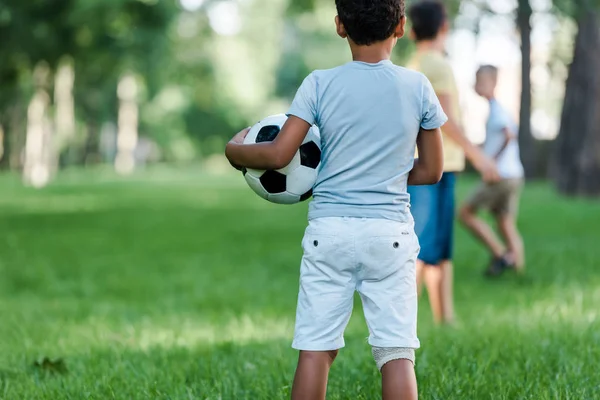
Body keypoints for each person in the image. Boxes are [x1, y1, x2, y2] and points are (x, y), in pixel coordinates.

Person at [225, 1, 447, 398]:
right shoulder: (418, 87)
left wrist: (234, 151)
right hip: (389, 234)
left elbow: (278, 155)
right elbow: (432, 171)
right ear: (400, 27)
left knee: (316, 348)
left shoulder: (318, 83)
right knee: (396, 352)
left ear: (339, 26)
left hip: (329, 233)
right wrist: (386, 176)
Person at [406, 0, 500, 325]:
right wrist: (479, 155)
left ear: (411, 31)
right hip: (436, 166)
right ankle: (405, 321)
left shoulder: (415, 62)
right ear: (444, 27)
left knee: (439, 247)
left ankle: (445, 318)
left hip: (432, 166)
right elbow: (444, 119)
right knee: (421, 248)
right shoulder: (437, 66)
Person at [459, 65, 525, 276]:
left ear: (493, 83)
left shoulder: (497, 110)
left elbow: (508, 136)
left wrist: (490, 162)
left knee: (465, 213)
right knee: (505, 223)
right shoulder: (497, 109)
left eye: (481, 82)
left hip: (500, 176)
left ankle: (501, 255)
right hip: (514, 175)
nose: (477, 86)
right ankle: (518, 273)